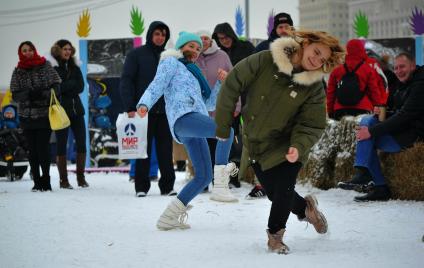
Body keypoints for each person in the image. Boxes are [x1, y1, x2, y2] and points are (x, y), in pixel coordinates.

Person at [214, 31, 345, 254]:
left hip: (288, 144)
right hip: (257, 142)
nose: (316, 60)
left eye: (322, 59)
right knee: (276, 194)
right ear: (305, 43)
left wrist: (298, 145)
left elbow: (311, 124)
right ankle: (306, 208)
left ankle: (275, 237)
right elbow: (233, 83)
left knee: (283, 189)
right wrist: (224, 124)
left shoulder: (313, 87)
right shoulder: (265, 59)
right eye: (316, 52)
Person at [137, 31, 237, 230]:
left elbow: (207, 103)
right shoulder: (171, 63)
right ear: (181, 47)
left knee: (203, 176)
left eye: (198, 48)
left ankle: (168, 218)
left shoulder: (192, 72)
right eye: (191, 46)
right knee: (226, 130)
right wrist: (144, 103)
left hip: (193, 121)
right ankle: (221, 184)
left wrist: (219, 84)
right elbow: (156, 85)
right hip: (183, 117)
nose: (195, 51)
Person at [338, 52, 424, 202]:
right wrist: (381, 113)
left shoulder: (420, 84)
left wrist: (371, 132)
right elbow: (397, 111)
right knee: (368, 120)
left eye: (402, 66)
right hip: (402, 130)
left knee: (366, 138)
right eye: (396, 68)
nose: (398, 71)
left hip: (415, 135)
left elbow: (406, 115)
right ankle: (364, 173)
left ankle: (375, 183)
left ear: (412, 65)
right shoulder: (401, 84)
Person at [120, 21, 176, 197]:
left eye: (164, 35)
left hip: (166, 112)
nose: (160, 37)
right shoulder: (136, 55)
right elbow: (126, 80)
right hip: (142, 111)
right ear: (150, 34)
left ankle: (167, 186)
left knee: (165, 151)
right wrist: (130, 107)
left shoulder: (171, 57)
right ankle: (141, 187)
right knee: (142, 150)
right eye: (157, 33)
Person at [10, 41, 62, 191]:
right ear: (21, 53)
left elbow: (57, 86)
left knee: (43, 148)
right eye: (24, 50)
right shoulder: (18, 70)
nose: (27, 53)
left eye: (30, 50)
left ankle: (46, 180)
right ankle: (37, 181)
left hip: (44, 114)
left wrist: (43, 93)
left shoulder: (45, 66)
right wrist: (29, 95)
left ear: (34, 50)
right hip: (26, 116)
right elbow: (15, 95)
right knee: (32, 150)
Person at [195, 30, 238, 195]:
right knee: (201, 145)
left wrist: (237, 106)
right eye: (201, 39)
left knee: (221, 144)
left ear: (211, 40)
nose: (204, 41)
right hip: (199, 111)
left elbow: (234, 81)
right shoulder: (192, 57)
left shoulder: (222, 56)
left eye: (206, 38)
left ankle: (220, 181)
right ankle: (203, 181)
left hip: (220, 109)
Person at [47, 39, 89, 189]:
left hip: (77, 110)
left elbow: (81, 87)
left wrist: (65, 86)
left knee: (82, 143)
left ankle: (81, 178)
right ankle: (63, 181)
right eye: (65, 49)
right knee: (61, 145)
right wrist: (69, 85)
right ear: (58, 50)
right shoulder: (52, 68)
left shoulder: (75, 67)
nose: (67, 52)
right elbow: (55, 89)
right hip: (61, 112)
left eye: (69, 49)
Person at [326, 39, 386, 120]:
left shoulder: (337, 70)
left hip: (340, 110)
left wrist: (330, 111)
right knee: (361, 132)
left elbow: (330, 93)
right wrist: (378, 108)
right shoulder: (368, 69)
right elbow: (374, 91)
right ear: (362, 50)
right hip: (363, 110)